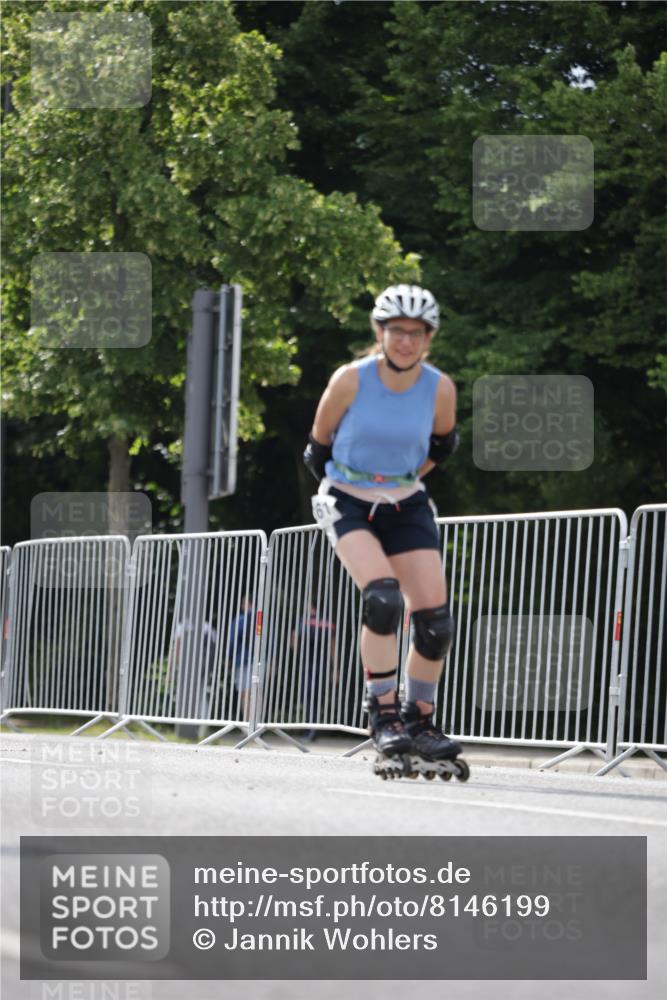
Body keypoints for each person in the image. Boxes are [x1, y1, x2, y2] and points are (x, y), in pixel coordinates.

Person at [304, 284, 469, 781]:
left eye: (416, 333)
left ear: (429, 337)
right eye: (397, 331)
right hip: (347, 499)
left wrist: (398, 483)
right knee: (382, 599)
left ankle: (420, 720)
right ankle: (383, 712)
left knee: (435, 622)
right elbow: (317, 449)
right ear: (380, 332)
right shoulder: (350, 380)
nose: (405, 341)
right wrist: (358, 492)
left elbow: (444, 444)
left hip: (406, 500)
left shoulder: (440, 387)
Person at [290, 602, 337, 742]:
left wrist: (296, 643)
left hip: (307, 664)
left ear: (311, 607)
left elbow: (294, 643)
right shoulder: (328, 624)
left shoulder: (303, 622)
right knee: (317, 697)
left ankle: (309, 729)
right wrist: (335, 669)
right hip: (322, 664)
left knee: (307, 696)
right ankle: (314, 728)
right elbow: (333, 648)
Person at [228, 596, 255, 721]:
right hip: (259, 660)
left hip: (243, 659)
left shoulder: (240, 619)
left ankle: (247, 723)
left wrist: (229, 658)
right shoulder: (262, 619)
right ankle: (256, 723)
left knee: (244, 692)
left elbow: (232, 641)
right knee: (256, 693)